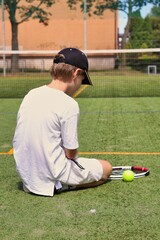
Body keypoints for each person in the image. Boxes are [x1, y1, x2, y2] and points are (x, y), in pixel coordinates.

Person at [13, 47, 112, 196]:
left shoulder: (31, 94)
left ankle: (54, 183)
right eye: (82, 79)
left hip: (27, 176)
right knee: (107, 168)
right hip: (53, 175)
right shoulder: (69, 104)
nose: (80, 84)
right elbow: (71, 153)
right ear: (76, 73)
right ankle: (62, 185)